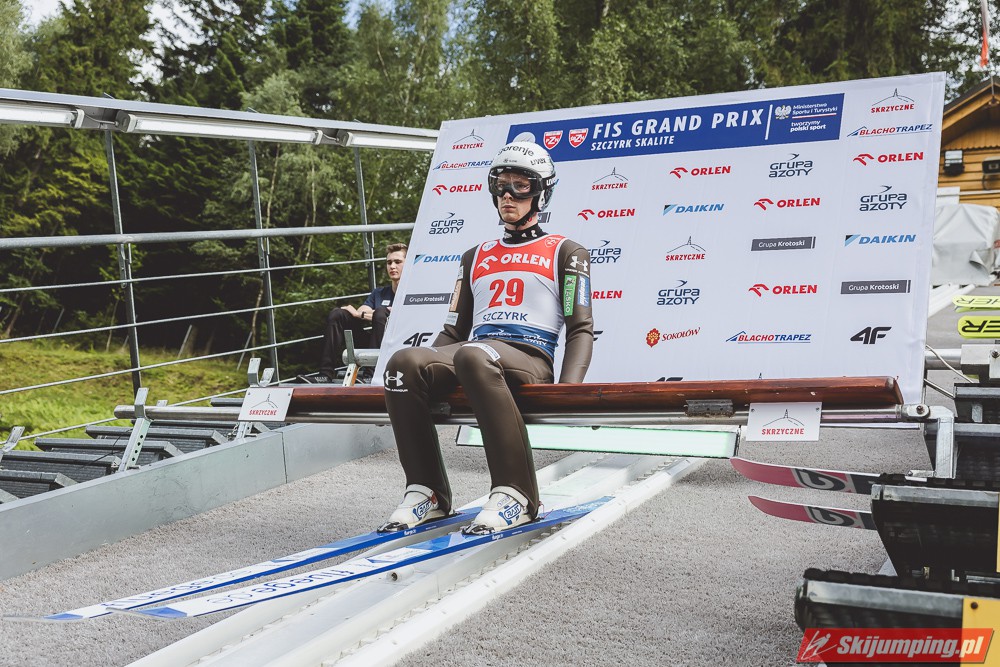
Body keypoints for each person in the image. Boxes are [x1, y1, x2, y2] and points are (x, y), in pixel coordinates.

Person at [378, 141, 594, 535]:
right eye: (501, 185)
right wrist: (425, 371)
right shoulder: (474, 255)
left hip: (529, 357)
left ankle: (517, 495)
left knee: (474, 354)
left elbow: (580, 327)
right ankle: (427, 491)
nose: (508, 195)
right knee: (403, 363)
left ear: (541, 192)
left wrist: (570, 392)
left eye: (520, 186)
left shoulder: (567, 251)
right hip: (476, 354)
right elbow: (453, 331)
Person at [315, 243, 407, 383]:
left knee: (381, 313)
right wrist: (370, 314)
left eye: (397, 262)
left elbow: (394, 316)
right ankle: (325, 374)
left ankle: (371, 375)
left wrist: (373, 314)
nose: (392, 266)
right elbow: (360, 311)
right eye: (389, 262)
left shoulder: (413, 294)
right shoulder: (379, 293)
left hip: (400, 347)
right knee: (337, 314)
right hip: (374, 344)